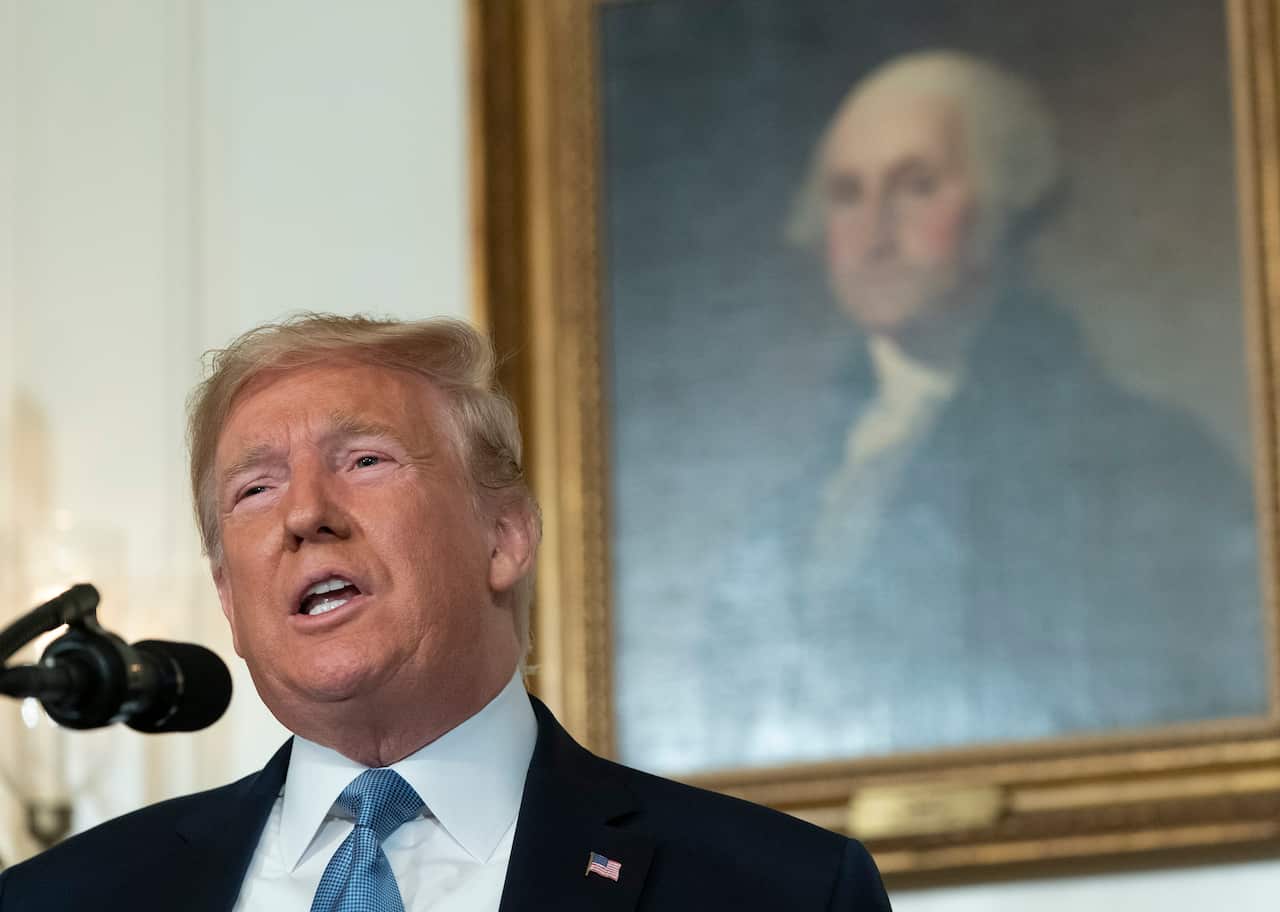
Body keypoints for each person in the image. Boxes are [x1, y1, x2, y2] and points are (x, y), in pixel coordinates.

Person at [0, 314, 892, 910]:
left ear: (503, 537)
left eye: (365, 461)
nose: (305, 513)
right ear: (230, 601)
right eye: (256, 487)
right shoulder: (63, 899)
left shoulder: (778, 892)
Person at [722, 50, 1265, 760]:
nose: (875, 231)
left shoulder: (1146, 464)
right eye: (847, 193)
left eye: (917, 185)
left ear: (1004, 207)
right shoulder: (792, 507)